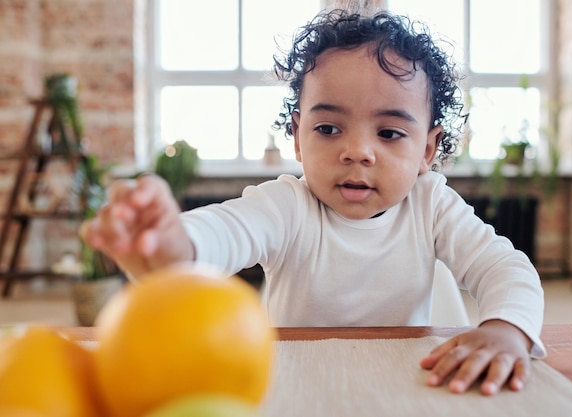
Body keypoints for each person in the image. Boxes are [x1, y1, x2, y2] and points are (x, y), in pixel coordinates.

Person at [81, 9, 546, 396]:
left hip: (404, 378)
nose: (357, 151)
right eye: (328, 129)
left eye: (389, 133)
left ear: (427, 150)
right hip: (292, 384)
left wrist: (506, 328)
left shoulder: (433, 206)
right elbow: (220, 234)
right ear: (298, 139)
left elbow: (506, 268)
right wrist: (166, 245)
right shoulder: (287, 205)